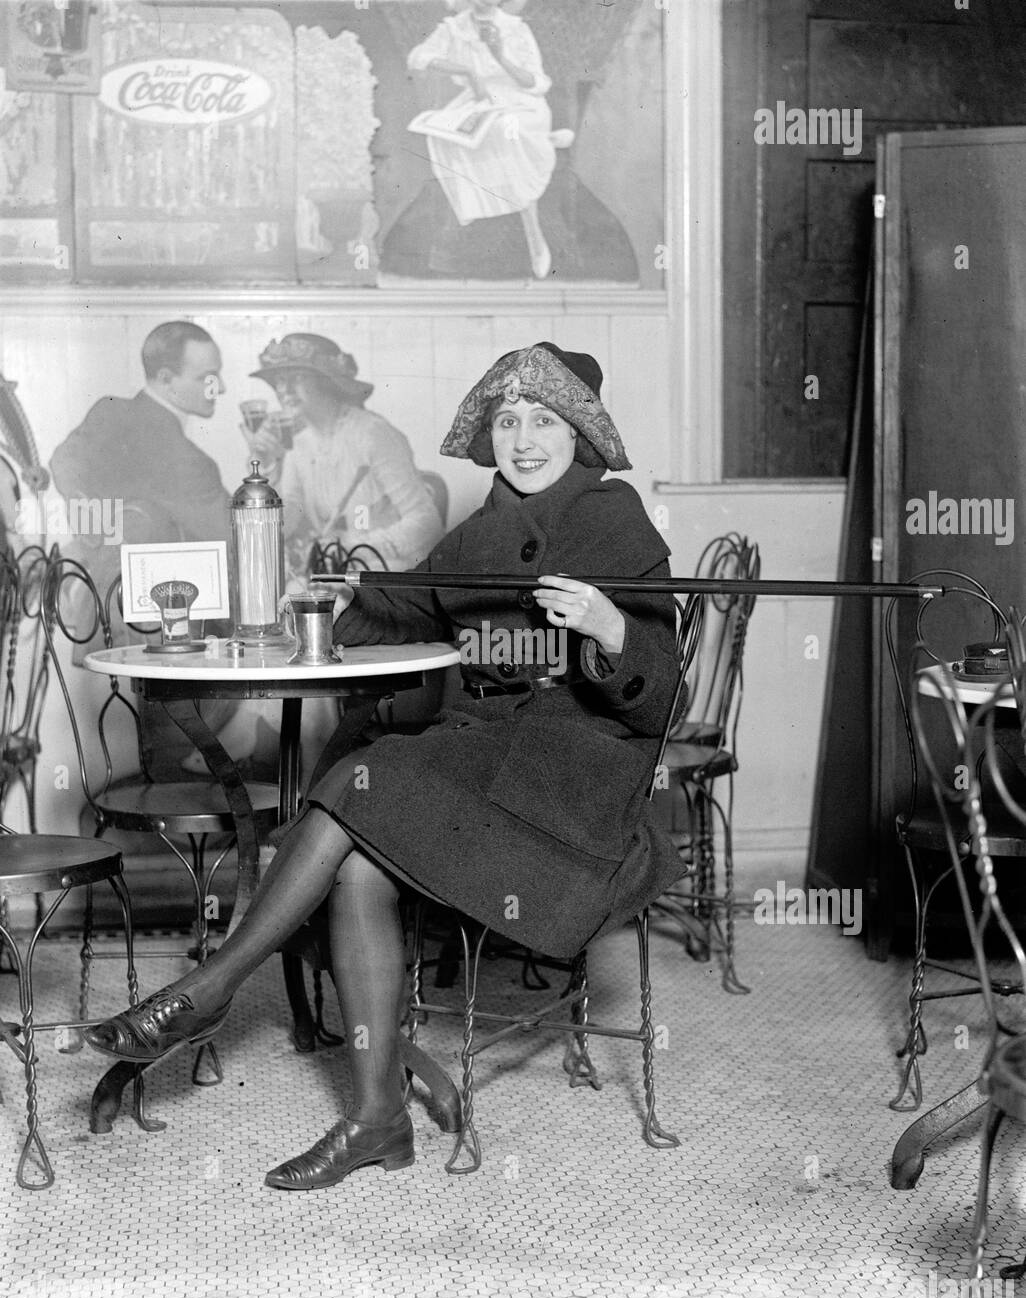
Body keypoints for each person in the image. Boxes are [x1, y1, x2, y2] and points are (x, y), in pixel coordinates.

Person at [86, 342, 686, 1191]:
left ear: (578, 433)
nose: (522, 439)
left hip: (572, 788)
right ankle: (376, 1122)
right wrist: (339, 593)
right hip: (483, 762)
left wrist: (610, 628)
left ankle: (211, 987)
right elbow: (402, 604)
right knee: (358, 864)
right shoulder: (480, 530)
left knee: (346, 796)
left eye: (543, 421)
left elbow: (661, 700)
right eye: (508, 420)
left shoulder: (614, 518)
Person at [49, 321, 231, 650]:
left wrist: (95, 535)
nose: (220, 388)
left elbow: (64, 462)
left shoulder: (109, 412)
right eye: (207, 377)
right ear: (165, 379)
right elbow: (236, 538)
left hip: (97, 614)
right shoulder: (188, 462)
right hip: (157, 631)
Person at [243, 333, 443, 582]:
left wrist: (351, 547)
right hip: (334, 577)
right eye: (279, 381)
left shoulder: (372, 433)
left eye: (296, 378)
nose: (284, 390)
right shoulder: (298, 443)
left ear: (326, 381)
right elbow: (285, 526)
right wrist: (264, 465)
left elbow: (427, 523)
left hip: (387, 576)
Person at [407, 0, 557, 279]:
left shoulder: (516, 28)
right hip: (478, 100)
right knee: (444, 136)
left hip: (521, 102)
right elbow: (418, 57)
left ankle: (533, 233)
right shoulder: (455, 27)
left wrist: (501, 56)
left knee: (505, 131)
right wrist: (466, 71)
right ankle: (474, 207)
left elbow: (537, 82)